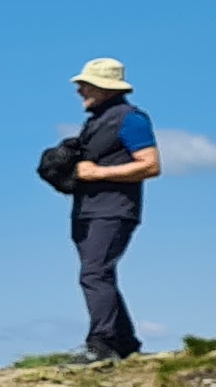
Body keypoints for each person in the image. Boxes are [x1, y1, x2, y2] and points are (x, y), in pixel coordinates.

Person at [64, 57, 162, 363]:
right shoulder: (97, 119)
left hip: (114, 209)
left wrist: (98, 174)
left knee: (95, 273)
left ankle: (102, 346)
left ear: (105, 88)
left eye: (86, 85)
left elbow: (151, 165)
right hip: (88, 209)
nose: (80, 90)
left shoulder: (131, 118)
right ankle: (124, 342)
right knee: (98, 274)